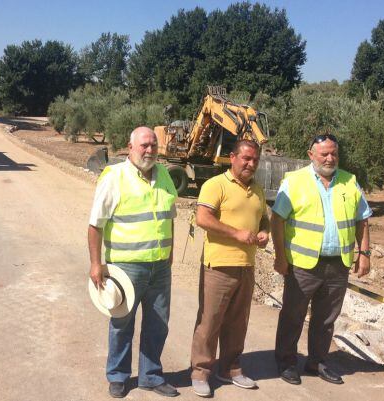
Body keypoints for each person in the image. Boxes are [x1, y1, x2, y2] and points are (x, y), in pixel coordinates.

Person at [271, 133, 372, 386]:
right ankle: (286, 362)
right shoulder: (294, 181)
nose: (330, 158)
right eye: (324, 153)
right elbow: (277, 221)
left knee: (326, 319)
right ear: (311, 155)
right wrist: (280, 257)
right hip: (302, 265)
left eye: (334, 153)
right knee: (293, 315)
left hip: (338, 264)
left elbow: (363, 220)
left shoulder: (350, 182)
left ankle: (317, 361)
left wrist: (365, 253)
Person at [87, 127, 180, 398]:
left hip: (160, 267)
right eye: (144, 145)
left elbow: (169, 216)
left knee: (158, 324)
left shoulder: (164, 175)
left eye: (153, 145)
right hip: (125, 268)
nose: (150, 150)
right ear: (130, 146)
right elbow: (95, 225)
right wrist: (96, 264)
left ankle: (151, 376)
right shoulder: (114, 177)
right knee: (122, 324)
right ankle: (118, 376)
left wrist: (170, 251)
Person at [189, 139, 269, 397]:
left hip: (247, 265)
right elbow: (203, 218)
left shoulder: (257, 189)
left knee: (238, 322)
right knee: (210, 321)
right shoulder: (215, 185)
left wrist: (265, 233)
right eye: (246, 158)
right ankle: (201, 372)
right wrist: (236, 234)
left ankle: (231, 368)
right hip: (219, 265)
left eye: (255, 159)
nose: (251, 164)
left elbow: (263, 218)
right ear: (232, 157)